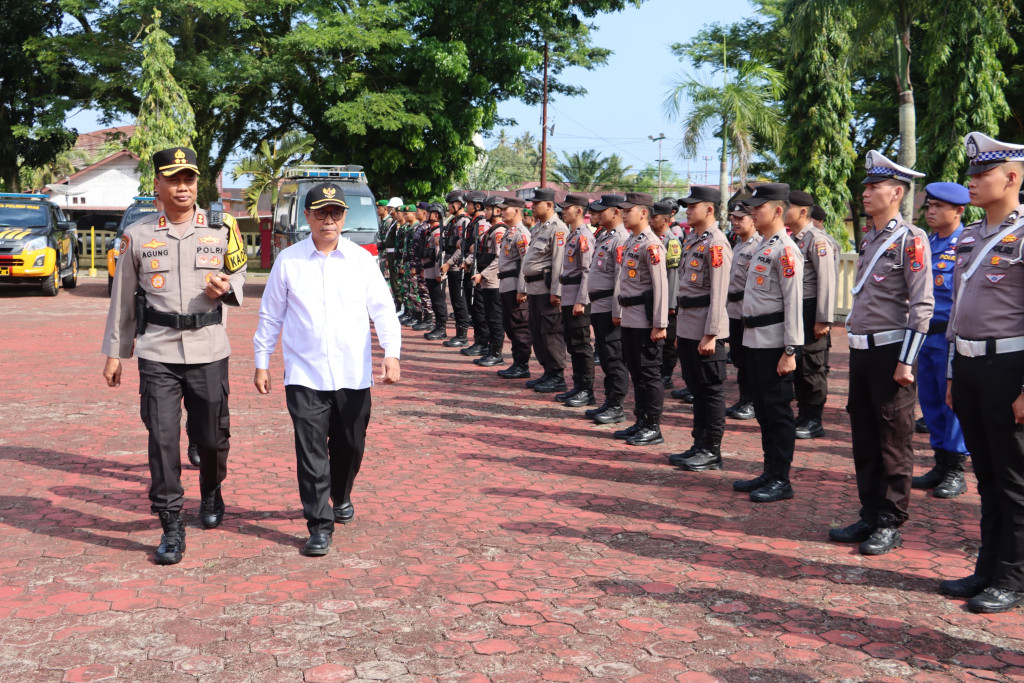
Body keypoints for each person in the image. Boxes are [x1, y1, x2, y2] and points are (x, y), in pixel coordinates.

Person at [102, 147, 247, 565]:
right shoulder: (140, 235)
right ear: (157, 186)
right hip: (158, 350)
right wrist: (116, 352)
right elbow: (123, 299)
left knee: (213, 438)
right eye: (174, 180)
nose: (183, 187)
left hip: (208, 348)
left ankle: (212, 489)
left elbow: (239, 271)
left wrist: (229, 287)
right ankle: (170, 523)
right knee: (162, 438)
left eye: (189, 179)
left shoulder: (222, 228)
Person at [253, 183, 401, 557]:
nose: (329, 220)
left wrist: (392, 353)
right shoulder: (289, 261)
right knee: (311, 452)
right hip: (304, 374)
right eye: (321, 213)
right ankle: (319, 525)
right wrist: (262, 361)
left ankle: (342, 493)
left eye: (335, 213)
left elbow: (383, 309)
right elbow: (271, 315)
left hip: (353, 373)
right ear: (307, 217)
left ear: (345, 217)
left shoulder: (361, 260)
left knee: (351, 445)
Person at [829, 151, 933, 556]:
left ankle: (890, 520)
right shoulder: (870, 237)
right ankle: (869, 512)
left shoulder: (911, 239)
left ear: (897, 192)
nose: (866, 193)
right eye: (866, 186)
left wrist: (906, 361)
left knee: (893, 439)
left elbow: (922, 306)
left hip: (892, 352)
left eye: (874, 187)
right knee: (865, 436)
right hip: (862, 352)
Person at [940, 132, 1024, 612]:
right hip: (969, 366)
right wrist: (953, 372)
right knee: (988, 476)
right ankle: (987, 568)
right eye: (970, 174)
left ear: (1011, 177)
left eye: (981, 174)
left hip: (1009, 367)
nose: (971, 182)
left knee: (1014, 479)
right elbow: (957, 313)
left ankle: (1011, 578)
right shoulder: (970, 234)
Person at [729, 184, 803, 501]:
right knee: (762, 409)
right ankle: (769, 471)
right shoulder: (763, 246)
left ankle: (781, 479)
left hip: (775, 344)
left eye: (758, 207)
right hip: (754, 340)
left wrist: (790, 350)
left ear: (776, 210)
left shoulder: (785, 250)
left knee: (777, 412)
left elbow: (793, 303)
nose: (752, 212)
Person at [911, 182, 970, 498]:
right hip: (925, 339)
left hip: (951, 338)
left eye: (938, 207)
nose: (931, 212)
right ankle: (939, 464)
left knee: (952, 404)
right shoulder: (926, 243)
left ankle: (956, 470)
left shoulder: (967, 244)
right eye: (929, 206)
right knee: (930, 403)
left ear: (959, 210)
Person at [669, 186, 733, 471]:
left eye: (693, 206)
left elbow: (719, 293)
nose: (687, 210)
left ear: (710, 209)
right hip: (689, 327)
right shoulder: (694, 239)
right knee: (696, 389)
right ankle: (699, 444)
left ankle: (712, 450)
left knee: (710, 391)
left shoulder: (716, 243)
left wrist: (712, 334)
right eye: (687, 206)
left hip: (706, 331)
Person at [612, 192, 669, 446]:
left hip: (646, 321)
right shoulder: (634, 241)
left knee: (649, 374)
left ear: (644, 213)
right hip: (630, 318)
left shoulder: (651, 244)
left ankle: (653, 426)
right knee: (636, 372)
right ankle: (640, 420)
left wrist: (659, 324)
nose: (624, 214)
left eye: (629, 210)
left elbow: (660, 287)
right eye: (623, 210)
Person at [783, 191, 836, 440]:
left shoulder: (817, 240)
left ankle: (814, 419)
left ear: (803, 212)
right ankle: (803, 414)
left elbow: (827, 281)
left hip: (811, 308)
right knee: (800, 365)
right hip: (796, 308)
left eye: (787, 207)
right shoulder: (793, 239)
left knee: (812, 366)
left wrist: (823, 318)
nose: (782, 211)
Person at [585, 194, 631, 425]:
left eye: (602, 210)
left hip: (610, 309)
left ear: (615, 212)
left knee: (614, 358)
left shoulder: (621, 238)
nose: (597, 214)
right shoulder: (606, 236)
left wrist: (618, 312)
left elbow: (621, 279)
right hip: (599, 306)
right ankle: (609, 400)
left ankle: (617, 406)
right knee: (605, 356)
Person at [518, 188, 568, 393]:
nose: (532, 206)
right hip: (534, 288)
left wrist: (557, 291)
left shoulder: (558, 228)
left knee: (551, 333)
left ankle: (557, 375)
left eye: (536, 203)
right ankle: (548, 372)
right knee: (538, 333)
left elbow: (559, 263)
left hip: (547, 290)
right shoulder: (539, 227)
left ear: (549, 205)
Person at [552, 193, 597, 406]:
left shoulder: (584, 236)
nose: (563, 211)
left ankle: (587, 390)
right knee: (572, 344)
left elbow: (587, 271)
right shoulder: (572, 235)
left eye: (567, 207)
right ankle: (578, 386)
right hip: (569, 296)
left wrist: (582, 300)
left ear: (579, 210)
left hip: (578, 298)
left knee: (581, 345)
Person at [725, 203, 758, 421]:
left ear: (753, 219)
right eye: (733, 218)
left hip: (748, 313)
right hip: (734, 312)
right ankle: (744, 398)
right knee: (738, 359)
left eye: (740, 218)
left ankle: (752, 402)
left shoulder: (757, 246)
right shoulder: (737, 245)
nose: (735, 223)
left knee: (750, 362)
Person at [496, 197, 532, 379]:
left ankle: (522, 365)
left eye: (505, 209)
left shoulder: (522, 233)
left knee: (519, 325)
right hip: (505, 283)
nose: (501, 212)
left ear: (517, 211)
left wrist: (522, 289)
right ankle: (517, 362)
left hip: (514, 284)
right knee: (509, 325)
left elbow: (526, 262)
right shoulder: (509, 232)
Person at [651, 201, 683, 392]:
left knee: (668, 340)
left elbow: (673, 275)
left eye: (655, 217)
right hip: (652, 298)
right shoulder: (650, 239)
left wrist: (671, 304)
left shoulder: (671, 241)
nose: (651, 220)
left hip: (667, 300)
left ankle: (666, 375)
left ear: (665, 219)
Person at [472, 199, 508, 366]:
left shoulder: (499, 231)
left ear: (497, 211)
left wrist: (483, 274)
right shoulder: (491, 230)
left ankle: (496, 352)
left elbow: (499, 258)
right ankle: (491, 349)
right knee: (489, 316)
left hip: (494, 280)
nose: (485, 212)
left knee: (495, 318)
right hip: (487, 279)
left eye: (488, 209)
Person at [460, 192, 491, 357]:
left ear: (477, 206)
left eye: (469, 204)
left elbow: (478, 248)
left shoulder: (482, 223)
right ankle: (478, 339)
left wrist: (468, 261)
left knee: (479, 308)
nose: (467, 206)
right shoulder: (473, 222)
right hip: (470, 268)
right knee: (474, 307)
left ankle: (483, 342)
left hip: (477, 269)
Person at [440, 191, 472, 347]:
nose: (448, 207)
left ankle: (462, 335)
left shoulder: (462, 222)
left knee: (459, 302)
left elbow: (462, 248)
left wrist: (449, 263)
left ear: (458, 204)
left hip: (457, 267)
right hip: (452, 266)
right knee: (455, 300)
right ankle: (459, 334)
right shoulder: (455, 221)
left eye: (450, 203)